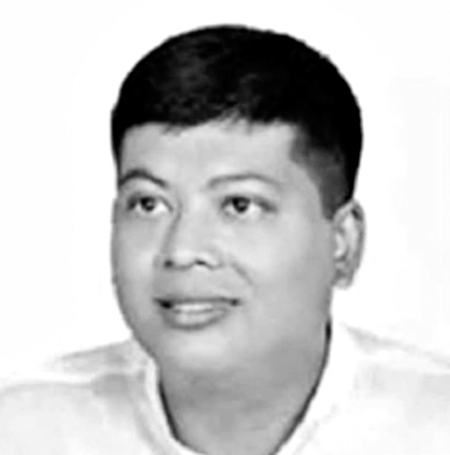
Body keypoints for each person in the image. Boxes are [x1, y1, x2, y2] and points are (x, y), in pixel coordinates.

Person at [0, 24, 449, 455]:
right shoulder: (24, 430)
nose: (182, 251)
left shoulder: (433, 427)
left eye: (239, 205)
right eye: (149, 204)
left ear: (343, 243)